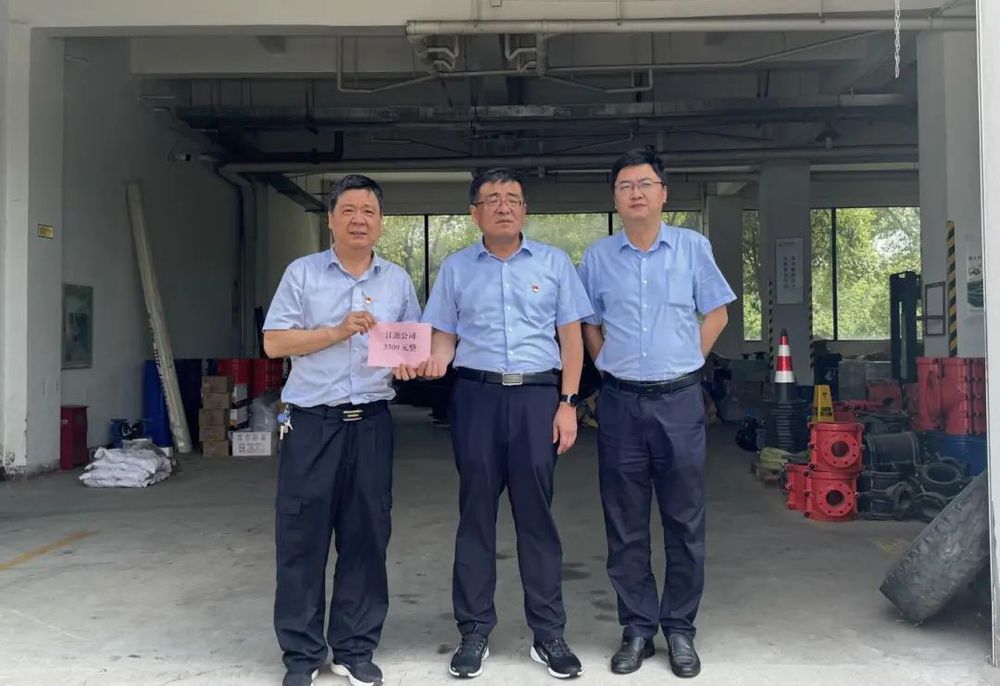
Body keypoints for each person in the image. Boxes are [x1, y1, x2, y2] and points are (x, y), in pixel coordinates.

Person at [397, 168, 593, 680]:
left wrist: (568, 402)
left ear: (524, 209)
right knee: (476, 515)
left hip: (537, 398)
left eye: (513, 198)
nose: (504, 206)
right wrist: (430, 361)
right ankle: (474, 631)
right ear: (475, 213)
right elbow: (443, 337)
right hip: (476, 398)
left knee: (537, 519)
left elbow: (571, 339)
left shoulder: (554, 263)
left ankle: (548, 633)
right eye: (492, 199)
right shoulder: (457, 269)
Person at [578, 148, 735, 679]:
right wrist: (605, 363)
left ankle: (681, 628)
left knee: (684, 520)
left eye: (645, 183)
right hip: (620, 403)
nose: (636, 193)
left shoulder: (692, 247)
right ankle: (637, 628)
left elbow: (717, 312)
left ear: (663, 193)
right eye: (625, 186)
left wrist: (691, 358)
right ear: (615, 198)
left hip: (678, 402)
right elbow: (588, 322)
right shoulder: (598, 257)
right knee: (624, 521)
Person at [263, 174, 421, 686]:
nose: (359, 220)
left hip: (371, 424)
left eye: (368, 211)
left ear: (381, 222)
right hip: (312, 423)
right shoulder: (303, 274)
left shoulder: (396, 281)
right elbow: (274, 343)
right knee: (302, 539)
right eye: (348, 210)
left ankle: (354, 649)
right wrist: (336, 331)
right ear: (330, 220)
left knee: (367, 537)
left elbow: (409, 345)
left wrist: (410, 364)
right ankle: (302, 654)